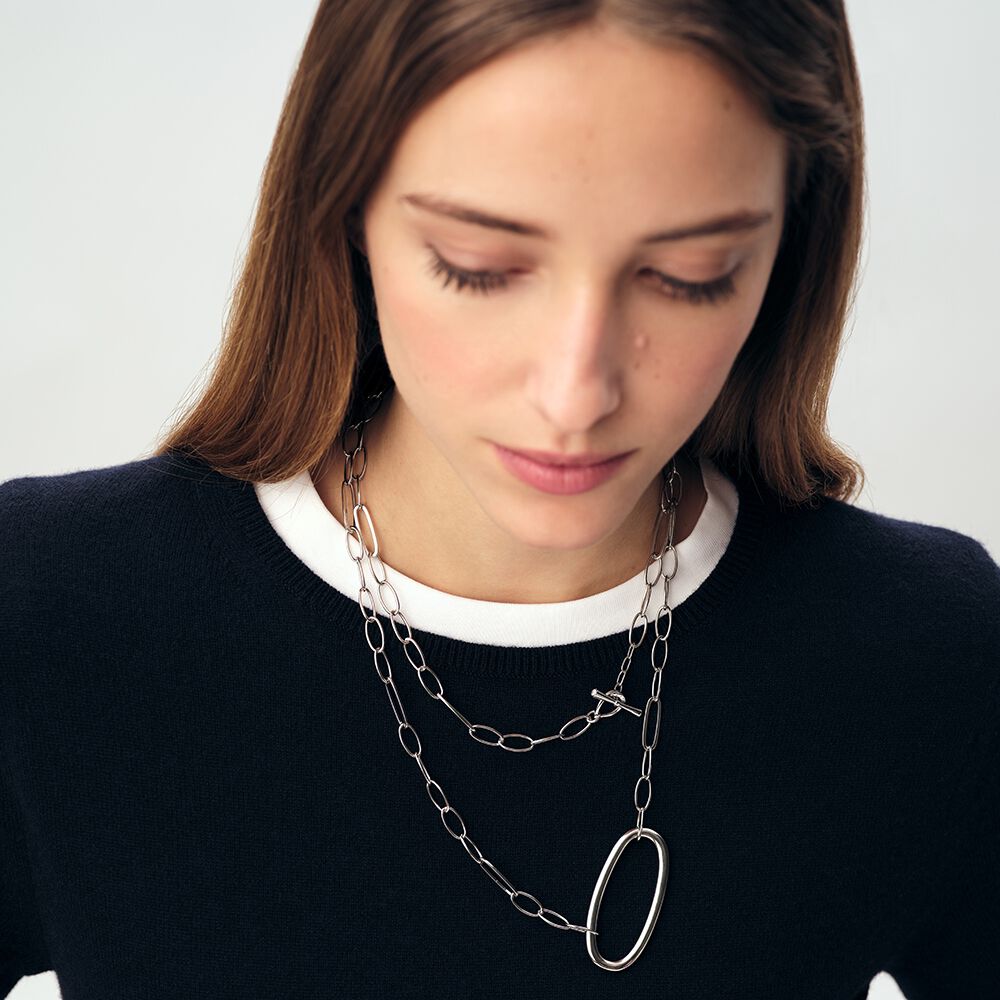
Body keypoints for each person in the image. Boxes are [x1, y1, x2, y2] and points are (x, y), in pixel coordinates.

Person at [1, 1, 997, 998]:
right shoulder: (49, 611)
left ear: (791, 243)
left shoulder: (928, 651)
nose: (576, 395)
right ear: (346, 208)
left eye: (690, 275)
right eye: (477, 268)